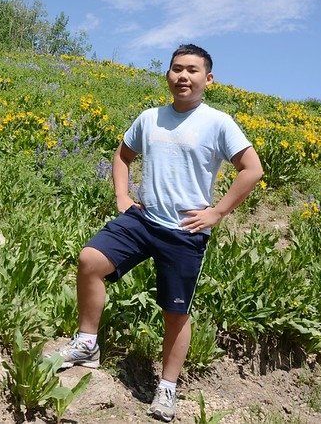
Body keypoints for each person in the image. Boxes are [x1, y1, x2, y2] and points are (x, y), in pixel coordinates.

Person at [51, 44, 264, 422]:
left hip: (185, 231)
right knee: (89, 260)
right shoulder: (150, 118)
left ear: (208, 79)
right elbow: (122, 155)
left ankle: (167, 388)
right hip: (143, 218)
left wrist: (217, 212)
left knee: (175, 313)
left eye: (192, 70)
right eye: (177, 69)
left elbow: (252, 169)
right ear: (168, 75)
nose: (183, 76)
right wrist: (122, 194)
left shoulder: (218, 122)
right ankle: (86, 343)